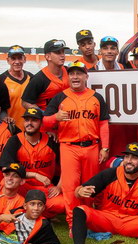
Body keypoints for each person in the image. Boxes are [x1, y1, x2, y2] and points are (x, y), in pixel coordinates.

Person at [43, 60, 110, 217]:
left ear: (86, 76)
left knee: (89, 184)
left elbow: (104, 124)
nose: (75, 77)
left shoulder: (97, 97)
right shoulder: (60, 97)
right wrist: (55, 117)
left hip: (91, 146)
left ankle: (87, 217)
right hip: (68, 146)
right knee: (70, 186)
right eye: (71, 73)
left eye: (79, 73)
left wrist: (105, 147)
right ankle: (73, 221)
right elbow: (45, 122)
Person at [0, 106, 65, 218]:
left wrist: (59, 186)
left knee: (61, 204)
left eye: (34, 120)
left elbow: (67, 165)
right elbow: (5, 167)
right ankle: (31, 212)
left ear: (41, 123)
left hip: (45, 188)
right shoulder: (15, 140)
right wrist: (34, 175)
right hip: (22, 185)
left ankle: (31, 213)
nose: (30, 123)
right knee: (5, 184)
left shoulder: (51, 141)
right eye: (27, 120)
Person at [21, 39, 69, 111]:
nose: (62, 55)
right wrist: (43, 114)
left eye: (63, 52)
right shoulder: (39, 78)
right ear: (48, 57)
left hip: (69, 119)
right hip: (49, 120)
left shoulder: (70, 72)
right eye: (58, 52)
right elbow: (25, 102)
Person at [0, 45, 33, 128]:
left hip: (30, 129)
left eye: (20, 58)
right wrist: (5, 118)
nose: (17, 62)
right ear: (8, 60)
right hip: (11, 128)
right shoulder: (1, 81)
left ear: (24, 59)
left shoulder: (32, 79)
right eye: (13, 58)